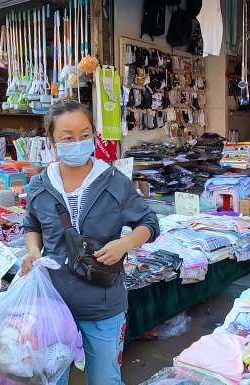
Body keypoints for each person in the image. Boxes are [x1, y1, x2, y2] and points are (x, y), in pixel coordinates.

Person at [20, 99, 159, 385]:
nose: (77, 143)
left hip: (102, 302)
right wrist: (33, 252)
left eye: (85, 135)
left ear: (94, 134)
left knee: (104, 378)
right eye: (67, 138)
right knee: (52, 377)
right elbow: (32, 223)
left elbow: (149, 223)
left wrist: (125, 243)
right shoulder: (39, 185)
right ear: (52, 140)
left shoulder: (113, 181)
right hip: (53, 302)